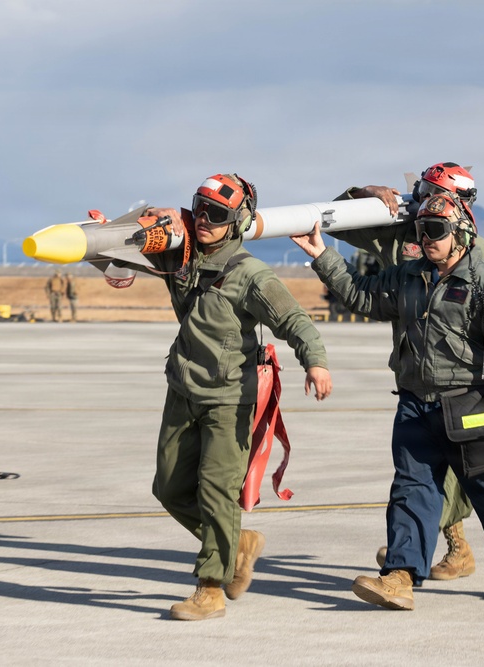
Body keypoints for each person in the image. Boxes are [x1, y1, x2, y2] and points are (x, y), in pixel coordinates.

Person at [292, 192, 484, 610]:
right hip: (416, 403)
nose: (426, 239)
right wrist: (322, 257)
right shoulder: (409, 276)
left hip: (472, 404)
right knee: (411, 489)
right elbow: (363, 295)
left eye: (435, 231)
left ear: (460, 234)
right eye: (421, 231)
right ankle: (400, 577)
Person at [113, 173, 332, 621]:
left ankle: (210, 589)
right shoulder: (183, 256)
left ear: (237, 222)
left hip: (229, 398)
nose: (207, 220)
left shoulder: (250, 274)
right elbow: (131, 252)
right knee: (170, 488)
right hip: (183, 390)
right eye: (202, 209)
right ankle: (240, 543)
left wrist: (317, 361)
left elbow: (295, 320)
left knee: (216, 493)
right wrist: (109, 241)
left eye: (219, 214)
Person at [326, 163, 484, 581]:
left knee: (461, 469)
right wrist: (362, 196)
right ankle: (428, 547)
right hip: (416, 370)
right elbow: (334, 221)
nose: (419, 199)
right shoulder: (398, 230)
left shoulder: (480, 254)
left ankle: (439, 545)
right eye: (420, 190)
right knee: (419, 469)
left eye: (428, 191)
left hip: (463, 376)